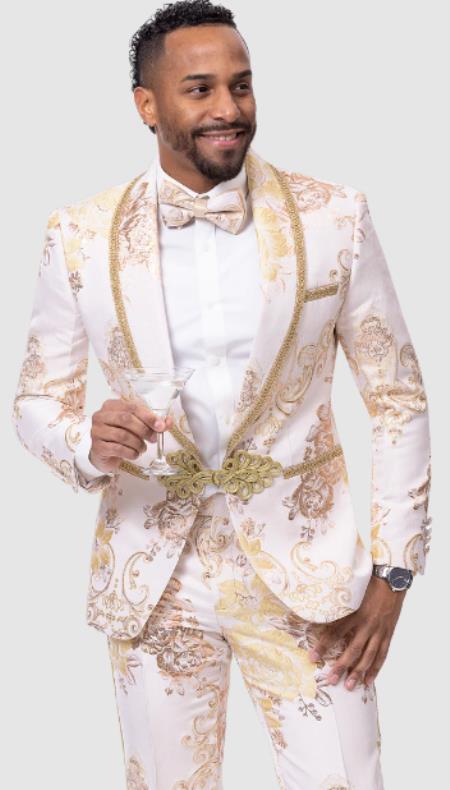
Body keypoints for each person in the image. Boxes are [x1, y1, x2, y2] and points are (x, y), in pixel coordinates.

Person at [12, 1, 432, 788]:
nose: (229, 108)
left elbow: (398, 397)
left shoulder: (335, 217)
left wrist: (395, 571)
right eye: (199, 89)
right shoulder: (78, 235)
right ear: (147, 105)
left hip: (311, 576)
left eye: (241, 85)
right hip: (152, 576)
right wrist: (83, 442)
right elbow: (36, 400)